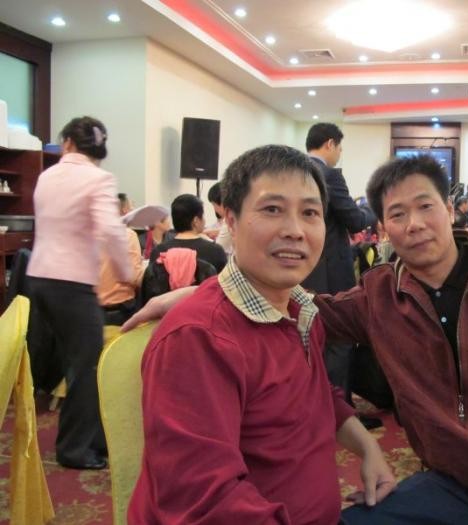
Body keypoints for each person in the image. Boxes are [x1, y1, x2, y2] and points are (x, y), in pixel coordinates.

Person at [127, 155, 468, 524]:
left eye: (425, 206)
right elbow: (295, 305)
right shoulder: (378, 297)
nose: (415, 224)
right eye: (397, 214)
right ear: (383, 228)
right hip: (453, 486)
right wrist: (204, 292)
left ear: (450, 209)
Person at [128, 145, 395, 523]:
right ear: (231, 220)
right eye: (272, 209)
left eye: (310, 213)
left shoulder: (300, 310)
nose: (295, 231)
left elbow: (316, 396)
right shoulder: (199, 338)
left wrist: (368, 447)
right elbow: (205, 503)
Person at [27, 116, 133, 470]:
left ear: (68, 143)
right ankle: (76, 449)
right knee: (88, 367)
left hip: (38, 277)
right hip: (72, 283)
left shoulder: (46, 176)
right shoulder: (98, 179)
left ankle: (92, 439)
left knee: (72, 363)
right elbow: (110, 231)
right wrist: (126, 274)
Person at [302, 122, 377, 415]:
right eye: (340, 147)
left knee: (311, 340)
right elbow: (355, 220)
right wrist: (370, 209)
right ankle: (339, 412)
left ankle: (315, 404)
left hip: (304, 270)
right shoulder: (329, 175)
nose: (340, 154)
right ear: (330, 144)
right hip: (330, 272)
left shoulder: (294, 170)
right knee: (339, 339)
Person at [149, 193, 228, 272]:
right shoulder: (215, 251)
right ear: (196, 221)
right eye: (203, 215)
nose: (204, 220)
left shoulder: (158, 251)